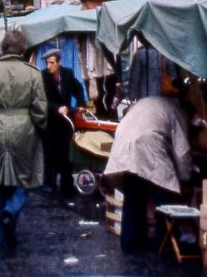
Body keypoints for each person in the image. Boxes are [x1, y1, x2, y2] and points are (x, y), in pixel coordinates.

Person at [0, 30, 48, 259]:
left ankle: (5, 242)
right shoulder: (33, 73)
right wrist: (38, 123)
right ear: (23, 50)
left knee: (0, 183)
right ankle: (12, 210)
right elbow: (40, 109)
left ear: (3, 48)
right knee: (25, 178)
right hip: (24, 129)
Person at [103, 94, 194, 252]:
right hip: (148, 142)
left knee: (133, 195)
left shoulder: (155, 101)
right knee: (164, 195)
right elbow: (182, 152)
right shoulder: (178, 113)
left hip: (124, 138)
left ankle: (130, 242)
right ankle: (163, 244)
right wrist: (185, 176)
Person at [40, 49, 86, 199]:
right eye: (47, 62)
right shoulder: (43, 76)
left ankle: (67, 183)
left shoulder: (67, 73)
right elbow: (42, 99)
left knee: (66, 152)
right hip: (51, 120)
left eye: (51, 63)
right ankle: (49, 183)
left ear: (59, 63)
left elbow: (78, 89)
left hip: (65, 120)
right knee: (49, 152)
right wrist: (56, 108)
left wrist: (80, 104)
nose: (48, 66)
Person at [127, 35, 178, 101]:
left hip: (143, 98)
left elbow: (134, 77)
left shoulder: (139, 54)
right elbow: (173, 77)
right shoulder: (166, 54)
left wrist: (131, 96)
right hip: (161, 98)